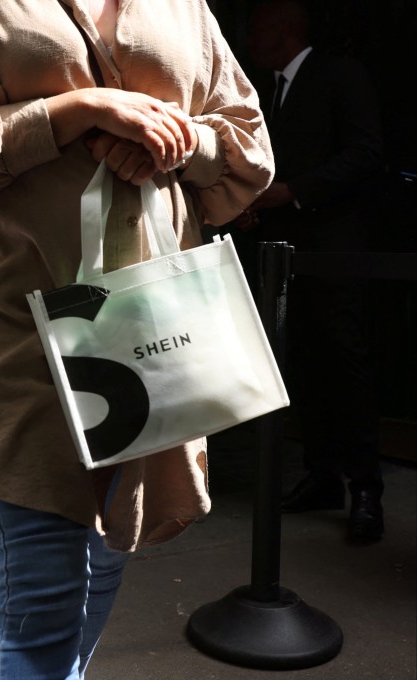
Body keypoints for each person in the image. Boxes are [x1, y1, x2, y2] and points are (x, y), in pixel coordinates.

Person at [0, 1, 274, 677]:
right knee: (44, 581)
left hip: (149, 322)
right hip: (13, 318)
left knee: (107, 550)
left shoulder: (184, 7)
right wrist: (79, 112)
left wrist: (174, 136)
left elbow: (248, 147)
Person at [243, 0, 385, 542]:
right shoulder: (269, 92)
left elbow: (366, 154)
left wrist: (294, 193)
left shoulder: (339, 75)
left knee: (344, 363)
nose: (250, 36)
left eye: (256, 24)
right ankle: (322, 475)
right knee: (302, 361)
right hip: (284, 253)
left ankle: (365, 488)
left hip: (336, 248)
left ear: (282, 26)